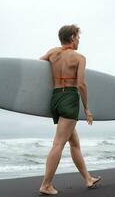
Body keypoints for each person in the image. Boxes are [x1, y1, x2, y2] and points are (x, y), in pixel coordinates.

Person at [39, 24, 102, 195]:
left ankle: (88, 178)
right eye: (78, 37)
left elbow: (37, 68)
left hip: (56, 98)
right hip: (69, 99)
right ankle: (46, 185)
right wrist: (87, 108)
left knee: (74, 143)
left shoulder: (52, 53)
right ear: (72, 37)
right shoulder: (79, 58)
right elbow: (81, 83)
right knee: (58, 143)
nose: (79, 40)